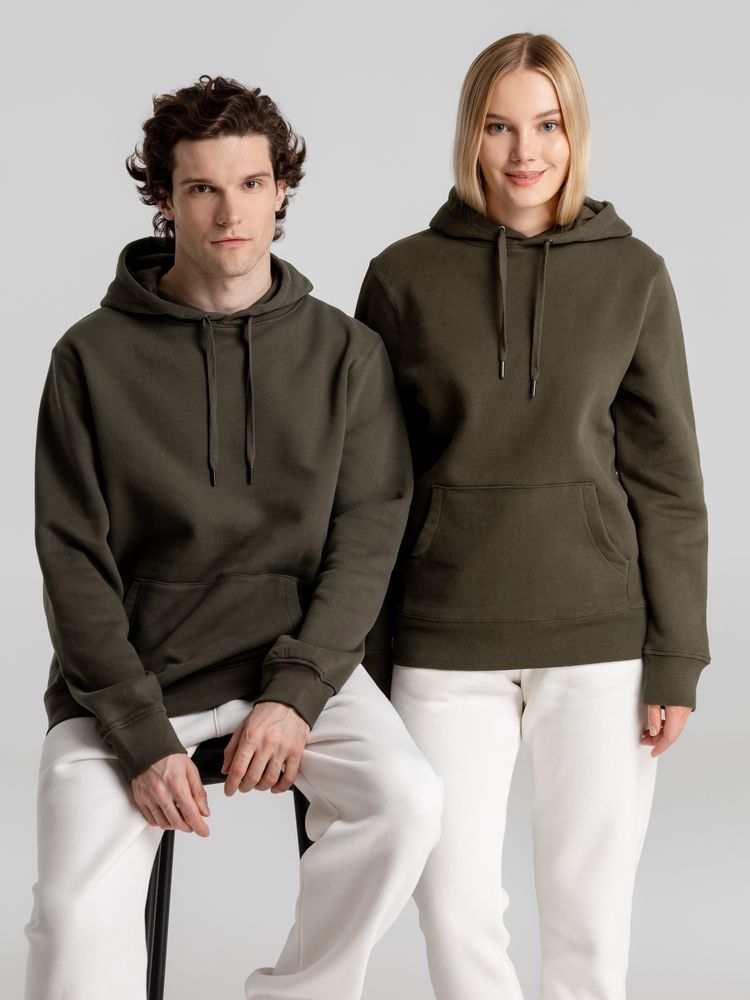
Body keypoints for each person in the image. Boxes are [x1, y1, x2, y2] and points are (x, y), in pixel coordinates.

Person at [24, 74, 443, 1000]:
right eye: (202, 188)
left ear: (281, 189)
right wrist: (137, 732)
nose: (230, 212)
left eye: (251, 184)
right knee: (70, 919)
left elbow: (366, 537)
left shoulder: (345, 353)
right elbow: (72, 560)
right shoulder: (89, 358)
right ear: (165, 199)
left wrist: (297, 694)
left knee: (408, 803)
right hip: (129, 685)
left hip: (291, 669)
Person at [355, 32, 710, 1000]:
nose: (525, 152)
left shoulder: (633, 274)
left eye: (547, 125)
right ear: (469, 135)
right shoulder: (401, 278)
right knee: (453, 907)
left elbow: (668, 478)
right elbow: (373, 485)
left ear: (575, 132)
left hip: (599, 642)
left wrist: (677, 654)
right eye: (500, 126)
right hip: (443, 640)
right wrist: (368, 657)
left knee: (589, 916)